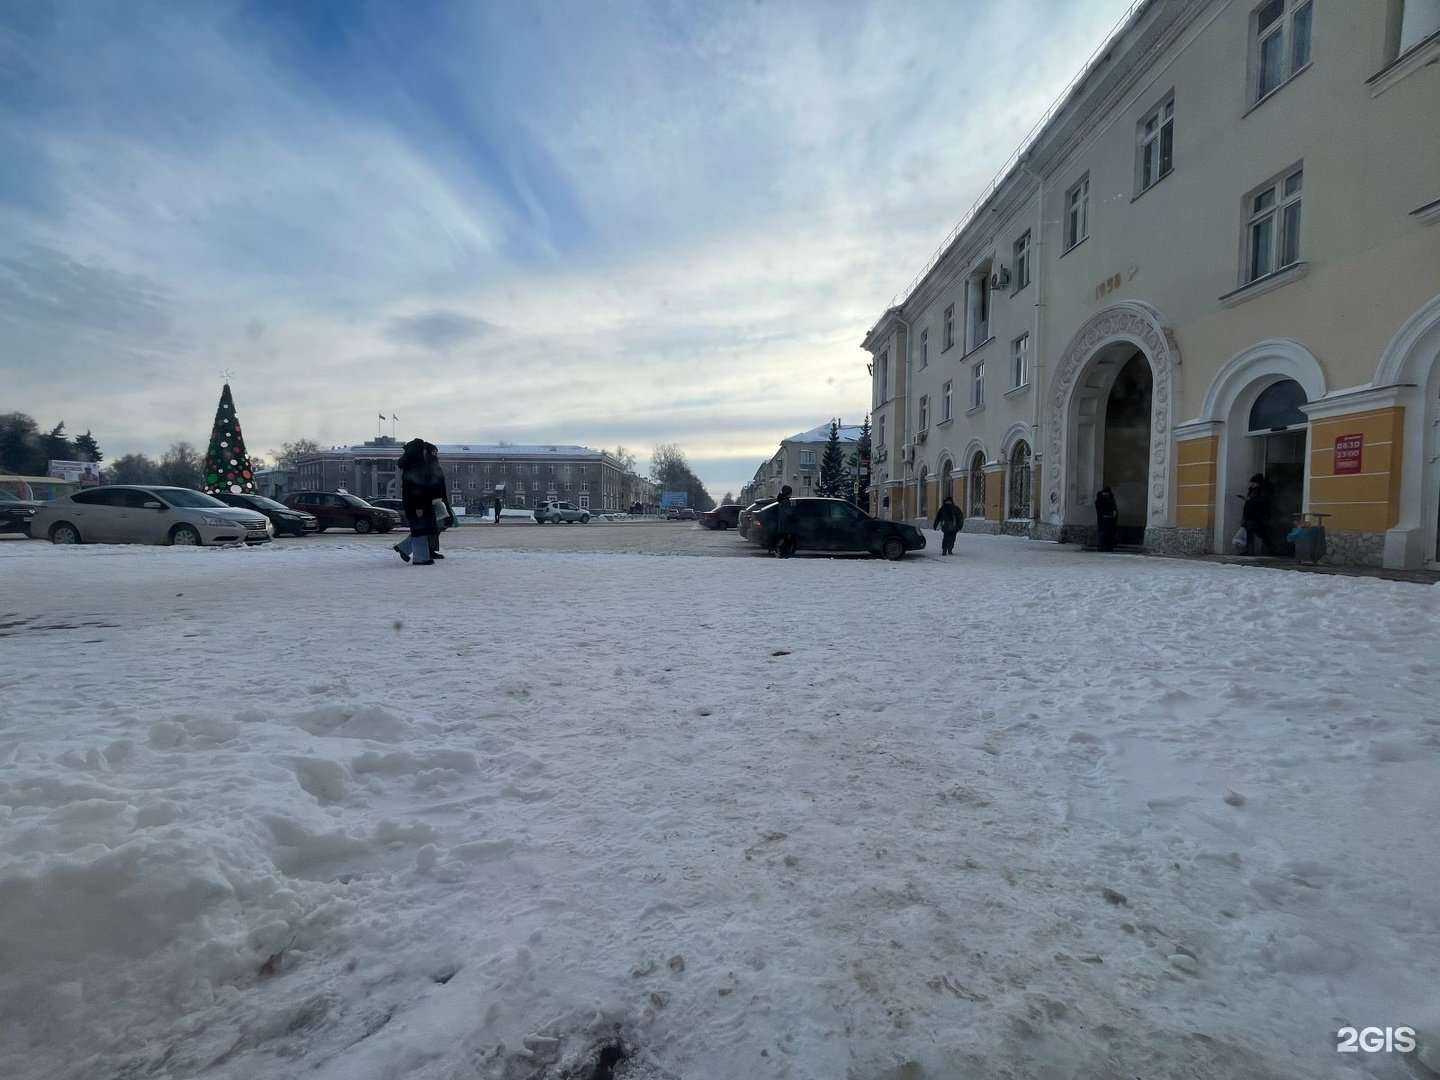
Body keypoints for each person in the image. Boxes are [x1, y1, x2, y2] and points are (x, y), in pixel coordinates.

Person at [394, 439, 452, 565]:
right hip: (419, 503)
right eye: (424, 450)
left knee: (422, 529)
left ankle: (410, 551)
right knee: (420, 529)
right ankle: (420, 557)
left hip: (419, 502)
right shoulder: (417, 465)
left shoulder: (412, 464)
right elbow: (417, 487)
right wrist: (419, 506)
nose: (425, 452)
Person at [1241, 473, 1272, 555]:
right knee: (1251, 533)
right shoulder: (1252, 490)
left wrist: (1250, 500)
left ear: (1258, 483)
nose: (1251, 484)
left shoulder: (1263, 491)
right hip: (1250, 515)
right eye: (1251, 482)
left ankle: (1269, 548)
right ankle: (1249, 550)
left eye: (1253, 483)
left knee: (1261, 533)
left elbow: (1262, 502)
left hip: (1258, 516)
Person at [771, 484, 796, 558]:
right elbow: (788, 513)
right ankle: (782, 553)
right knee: (787, 540)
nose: (791, 494)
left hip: (782, 524)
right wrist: (793, 510)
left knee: (783, 539)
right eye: (790, 492)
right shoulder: (786, 501)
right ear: (787, 493)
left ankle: (779, 551)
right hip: (786, 525)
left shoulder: (781, 500)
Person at [1094, 486, 1119, 552]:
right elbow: (1099, 508)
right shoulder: (1101, 499)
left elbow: (1114, 508)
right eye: (1105, 493)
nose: (1106, 495)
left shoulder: (1110, 498)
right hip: (1104, 519)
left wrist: (1114, 513)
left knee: (1108, 534)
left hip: (1109, 519)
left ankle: (1107, 547)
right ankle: (1102, 547)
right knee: (1103, 533)